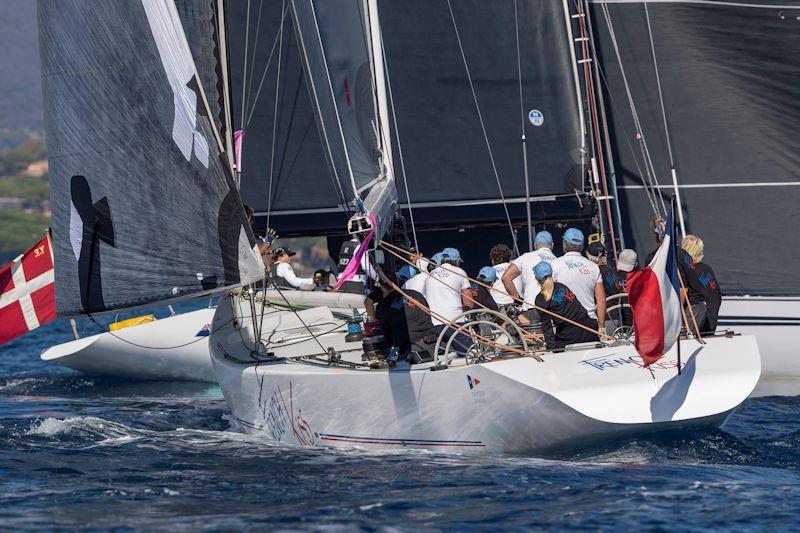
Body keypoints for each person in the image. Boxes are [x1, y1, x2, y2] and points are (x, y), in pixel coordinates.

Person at [534, 262, 600, 350]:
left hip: (569, 337)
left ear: (536, 279)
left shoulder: (541, 299)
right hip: (590, 330)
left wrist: (552, 348)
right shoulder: (562, 287)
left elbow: (547, 326)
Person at [375, 272, 438, 364]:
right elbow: (427, 314)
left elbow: (387, 335)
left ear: (381, 286)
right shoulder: (416, 294)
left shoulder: (383, 306)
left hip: (412, 350)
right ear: (397, 282)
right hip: (437, 344)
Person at [550, 228, 606, 326]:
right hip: (590, 322)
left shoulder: (554, 265)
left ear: (564, 244)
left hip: (565, 323)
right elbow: (601, 299)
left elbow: (549, 296)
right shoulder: (593, 267)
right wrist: (601, 326)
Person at [423, 247, 473, 354]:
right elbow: (469, 303)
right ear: (456, 261)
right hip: (455, 322)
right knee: (472, 353)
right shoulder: (459, 272)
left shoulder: (429, 276)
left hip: (435, 325)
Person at [501, 231, 557, 323]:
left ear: (535, 245)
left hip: (531, 308)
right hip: (553, 311)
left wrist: (517, 299)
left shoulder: (526, 257)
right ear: (552, 245)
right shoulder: (557, 261)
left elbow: (506, 277)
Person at [681, 235, 722, 333]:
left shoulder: (686, 272)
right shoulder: (707, 270)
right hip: (710, 325)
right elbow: (717, 296)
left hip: (695, 327)